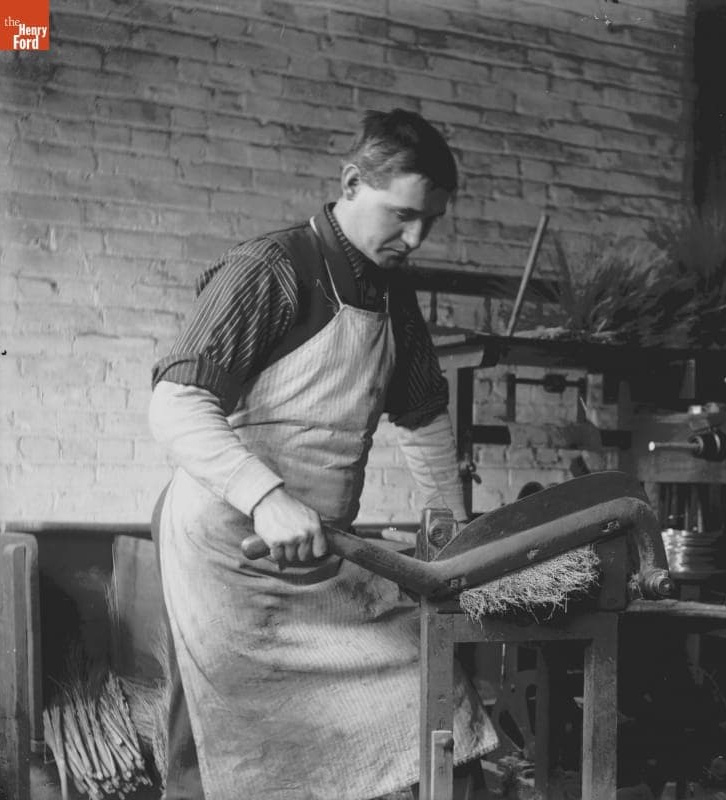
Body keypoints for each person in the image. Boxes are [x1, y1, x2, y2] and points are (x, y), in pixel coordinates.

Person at [148, 108, 498, 800]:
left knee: (427, 685)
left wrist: (452, 536)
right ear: (349, 183)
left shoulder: (394, 294)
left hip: (319, 553)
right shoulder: (271, 269)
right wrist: (267, 498)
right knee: (234, 741)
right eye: (402, 216)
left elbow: (424, 418)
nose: (416, 237)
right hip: (230, 548)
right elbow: (175, 401)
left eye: (430, 221)